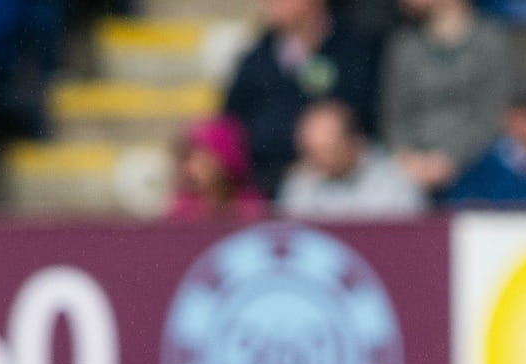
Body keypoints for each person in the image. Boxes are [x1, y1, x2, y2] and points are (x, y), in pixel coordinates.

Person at [222, 0, 381, 194]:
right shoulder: (255, 60)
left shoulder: (357, 49)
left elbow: (372, 118)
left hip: (349, 188)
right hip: (266, 191)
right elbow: (230, 127)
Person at [380, 0, 511, 197]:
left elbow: (494, 113)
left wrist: (453, 159)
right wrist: (408, 157)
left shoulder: (491, 40)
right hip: (410, 167)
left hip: (477, 161)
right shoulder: (404, 45)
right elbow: (393, 113)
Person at [278, 97, 425, 218]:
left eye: (327, 151)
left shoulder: (395, 182)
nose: (315, 162)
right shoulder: (300, 181)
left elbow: (407, 241)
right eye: (310, 153)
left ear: (355, 143)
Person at [166, 115, 269, 220]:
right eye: (184, 159)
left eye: (198, 160)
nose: (187, 168)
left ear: (224, 159)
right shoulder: (181, 210)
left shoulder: (253, 207)